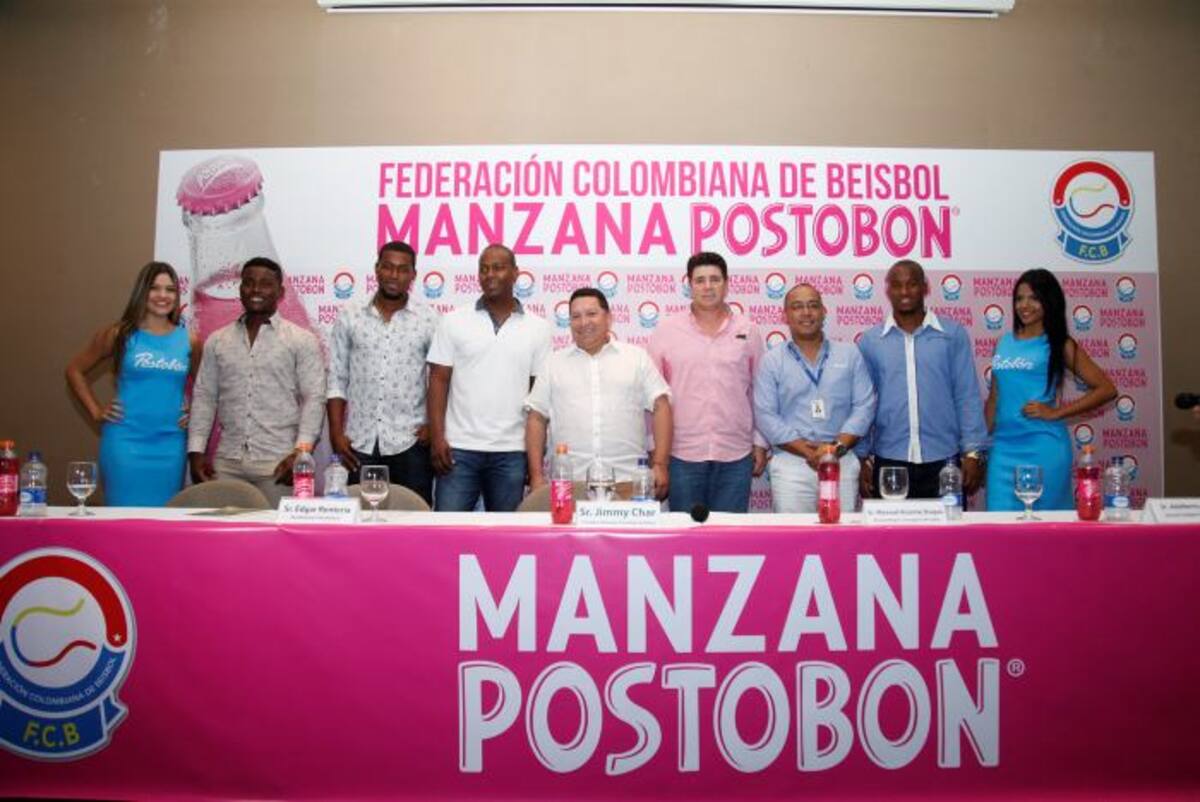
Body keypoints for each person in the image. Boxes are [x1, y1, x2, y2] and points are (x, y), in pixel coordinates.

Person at [187, 257, 326, 506]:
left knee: (277, 540)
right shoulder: (218, 341)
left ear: (280, 292)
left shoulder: (301, 340)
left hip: (278, 464)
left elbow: (314, 398)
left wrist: (302, 452)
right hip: (226, 463)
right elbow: (204, 397)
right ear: (240, 289)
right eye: (249, 283)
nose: (256, 290)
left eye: (265, 284)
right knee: (225, 541)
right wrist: (196, 452)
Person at [427, 244, 552, 511]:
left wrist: (534, 457)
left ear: (516, 273)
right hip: (458, 449)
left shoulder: (538, 328)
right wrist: (437, 438)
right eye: (483, 269)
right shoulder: (453, 321)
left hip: (512, 451)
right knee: (447, 534)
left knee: (506, 538)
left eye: (498, 267)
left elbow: (538, 397)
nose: (489, 274)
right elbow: (438, 380)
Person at [66, 261, 201, 505]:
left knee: (163, 523)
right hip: (124, 443)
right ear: (142, 291)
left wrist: (194, 412)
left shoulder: (189, 341)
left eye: (170, 289)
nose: (163, 295)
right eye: (154, 288)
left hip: (170, 446)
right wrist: (96, 411)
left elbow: (206, 389)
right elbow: (75, 370)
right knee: (121, 519)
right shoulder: (119, 334)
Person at [857, 259, 989, 500]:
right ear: (888, 291)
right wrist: (861, 457)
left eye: (912, 284)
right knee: (890, 538)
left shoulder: (952, 335)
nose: (905, 292)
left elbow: (966, 395)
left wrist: (973, 453)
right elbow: (865, 403)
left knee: (947, 538)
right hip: (890, 460)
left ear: (925, 287)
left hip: (944, 460)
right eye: (897, 285)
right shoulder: (871, 341)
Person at [986, 268, 1117, 510]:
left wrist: (1055, 413)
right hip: (1003, 449)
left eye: (1034, 298)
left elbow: (1106, 389)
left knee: (1047, 532)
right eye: (1019, 298)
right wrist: (979, 445)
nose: (1025, 305)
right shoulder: (1003, 342)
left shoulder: (1060, 344)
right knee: (999, 528)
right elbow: (994, 397)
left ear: (1050, 301)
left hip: (1043, 447)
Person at [647, 252, 767, 513]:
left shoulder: (748, 330)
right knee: (685, 543)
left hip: (736, 455)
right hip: (681, 455)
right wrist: (655, 450)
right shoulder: (666, 331)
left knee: (730, 542)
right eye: (700, 280)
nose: (708, 286)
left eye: (715, 279)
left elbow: (760, 391)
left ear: (726, 284)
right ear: (689, 285)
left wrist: (760, 442)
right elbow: (653, 397)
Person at [525, 288, 672, 497]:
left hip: (628, 482)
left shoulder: (636, 358)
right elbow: (536, 418)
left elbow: (661, 405)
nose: (584, 322)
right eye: (576, 316)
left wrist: (660, 464)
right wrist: (537, 476)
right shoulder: (553, 363)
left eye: (591, 314)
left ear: (609, 317)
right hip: (569, 485)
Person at [327, 241, 438, 504]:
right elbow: (336, 379)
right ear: (376, 269)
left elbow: (441, 378)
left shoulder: (428, 319)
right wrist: (335, 434)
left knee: (413, 520)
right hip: (358, 442)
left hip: (410, 442)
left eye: (402, 270)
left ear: (413, 275)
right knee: (358, 522)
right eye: (387, 267)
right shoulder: (350, 316)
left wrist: (434, 425)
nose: (394, 275)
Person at [754, 284, 876, 513]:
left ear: (824, 312)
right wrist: (809, 453)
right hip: (792, 465)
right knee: (794, 541)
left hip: (841, 459)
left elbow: (864, 406)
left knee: (841, 541)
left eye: (813, 305)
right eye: (797, 307)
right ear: (785, 315)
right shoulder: (772, 360)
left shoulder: (849, 354)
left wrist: (834, 450)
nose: (806, 312)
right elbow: (765, 414)